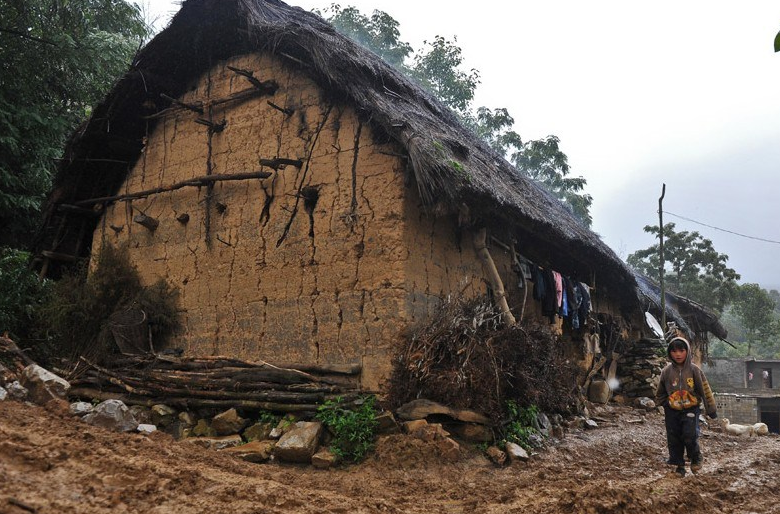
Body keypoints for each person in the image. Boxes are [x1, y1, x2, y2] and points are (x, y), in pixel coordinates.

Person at [654, 334, 718, 477]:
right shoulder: (666, 372)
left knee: (690, 435)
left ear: (687, 351)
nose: (678, 354)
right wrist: (665, 404)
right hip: (672, 410)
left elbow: (705, 390)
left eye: (681, 350)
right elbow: (660, 392)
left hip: (691, 408)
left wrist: (711, 409)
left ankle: (695, 457)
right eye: (674, 351)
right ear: (670, 353)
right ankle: (679, 466)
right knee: (674, 437)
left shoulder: (695, 370)